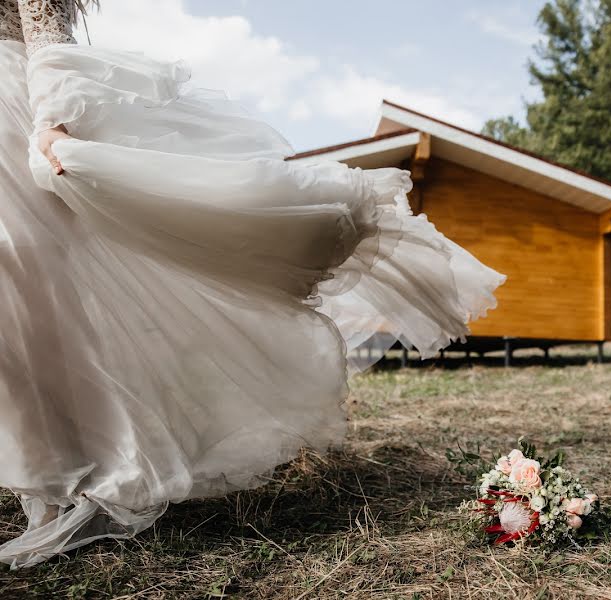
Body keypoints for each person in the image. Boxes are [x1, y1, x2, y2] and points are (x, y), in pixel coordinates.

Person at [0, 0, 504, 568]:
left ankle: (84, 478)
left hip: (16, 112)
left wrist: (51, 119)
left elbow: (43, 22)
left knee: (32, 286)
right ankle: (43, 482)